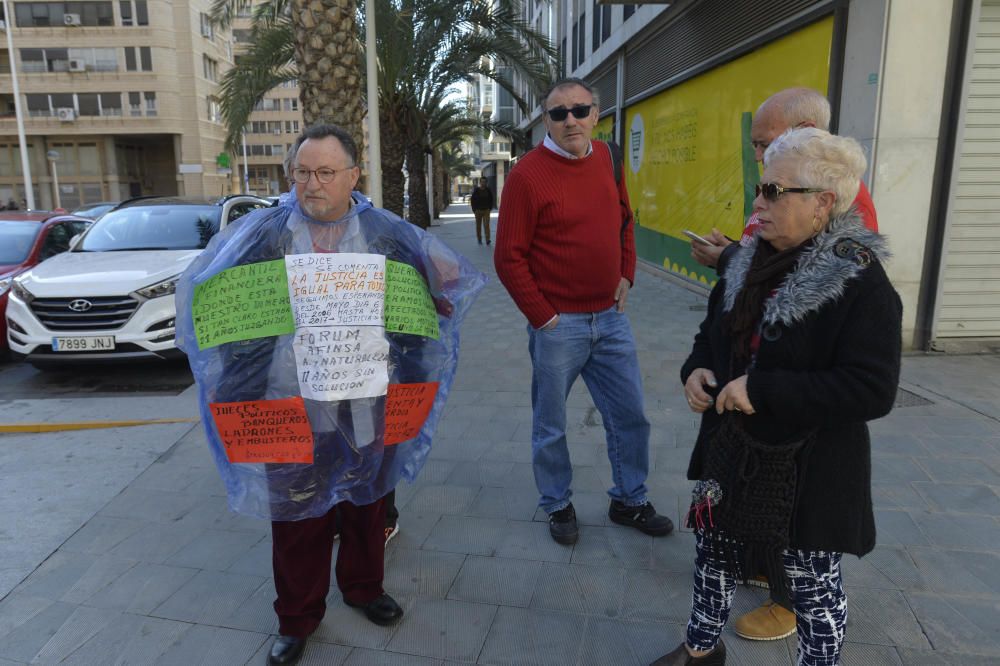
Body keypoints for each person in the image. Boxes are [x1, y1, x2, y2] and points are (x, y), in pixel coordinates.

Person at [175, 124, 485, 666]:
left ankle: (364, 588)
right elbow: (215, 308)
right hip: (285, 404)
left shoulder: (388, 235)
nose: (311, 185)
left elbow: (435, 298)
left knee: (368, 500)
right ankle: (297, 619)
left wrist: (438, 295)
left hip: (369, 399)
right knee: (296, 516)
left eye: (324, 173)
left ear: (352, 176)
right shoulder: (263, 237)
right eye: (302, 173)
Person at [651, 128, 902, 666]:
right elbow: (710, 336)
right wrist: (696, 371)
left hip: (811, 467)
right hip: (731, 451)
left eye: (773, 191)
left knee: (811, 586)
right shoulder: (745, 261)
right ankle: (700, 650)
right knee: (713, 555)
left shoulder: (858, 278)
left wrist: (762, 389)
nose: (757, 202)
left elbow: (873, 389)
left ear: (823, 204)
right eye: (760, 188)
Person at [495, 78, 673, 546]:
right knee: (550, 422)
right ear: (546, 123)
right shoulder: (526, 176)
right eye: (558, 113)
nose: (570, 119)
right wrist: (544, 318)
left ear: (596, 114)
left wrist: (627, 274)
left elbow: (625, 222)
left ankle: (629, 499)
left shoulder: (610, 160)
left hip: (611, 319)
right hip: (559, 326)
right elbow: (508, 256)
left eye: (579, 110)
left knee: (631, 415)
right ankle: (557, 503)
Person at [692, 87, 878, 277]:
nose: (757, 156)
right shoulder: (790, 181)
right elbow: (775, 254)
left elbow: (821, 282)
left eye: (764, 144)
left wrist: (729, 258)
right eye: (755, 145)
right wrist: (730, 250)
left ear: (806, 130)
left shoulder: (847, 196)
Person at [470, 177, 495, 245]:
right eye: (482, 182)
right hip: (478, 211)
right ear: (480, 182)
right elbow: (472, 200)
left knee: (486, 225)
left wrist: (490, 208)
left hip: (486, 210)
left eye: (484, 182)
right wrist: (474, 209)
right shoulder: (476, 190)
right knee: (478, 226)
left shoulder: (488, 190)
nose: (483, 183)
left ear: (486, 182)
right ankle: (479, 239)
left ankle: (487, 239)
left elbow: (491, 199)